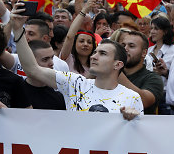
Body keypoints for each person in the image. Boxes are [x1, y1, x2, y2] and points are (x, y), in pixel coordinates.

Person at [10, 8, 142, 120]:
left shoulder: (132, 97)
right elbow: (32, 69)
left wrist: (133, 121)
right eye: (95, 52)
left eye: (102, 54)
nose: (94, 56)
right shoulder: (75, 83)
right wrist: (17, 30)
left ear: (117, 65)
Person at [119, 31, 164, 114]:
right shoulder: (111, 74)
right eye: (123, 45)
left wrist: (116, 73)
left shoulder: (153, 78)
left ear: (144, 53)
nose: (125, 49)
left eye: (131, 46)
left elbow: (144, 101)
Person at [59, 0, 97, 78]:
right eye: (81, 41)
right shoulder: (68, 59)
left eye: (89, 42)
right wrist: (84, 10)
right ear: (74, 44)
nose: (85, 44)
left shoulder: (97, 66)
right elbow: (70, 36)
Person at [23, 40, 66, 110]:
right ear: (31, 62)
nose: (52, 63)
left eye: (52, 58)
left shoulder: (59, 97)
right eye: (45, 59)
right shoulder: (17, 92)